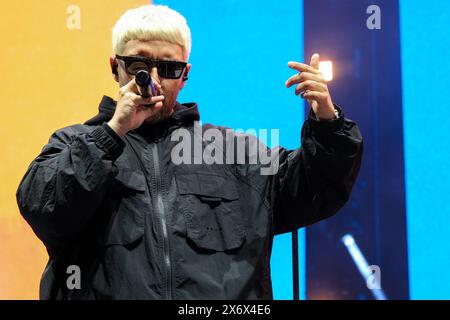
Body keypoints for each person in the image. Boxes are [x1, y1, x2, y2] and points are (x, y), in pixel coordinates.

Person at [16, 4, 363, 299]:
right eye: (139, 65)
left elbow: (318, 186)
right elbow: (45, 210)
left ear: (185, 76)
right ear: (114, 66)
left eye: (169, 68)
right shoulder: (74, 144)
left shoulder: (232, 152)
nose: (152, 79)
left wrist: (327, 119)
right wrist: (114, 131)